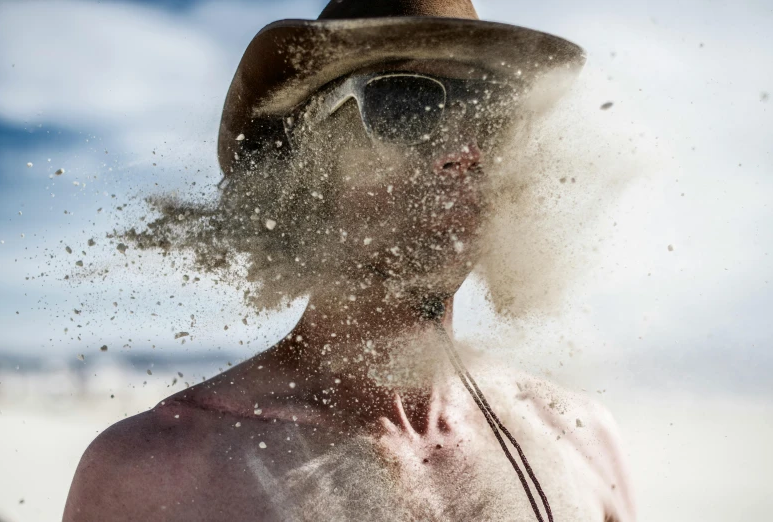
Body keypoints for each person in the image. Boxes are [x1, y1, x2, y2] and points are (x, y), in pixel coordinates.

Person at [63, 1, 635, 520]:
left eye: (492, 117)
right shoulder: (155, 474)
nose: (464, 153)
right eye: (408, 106)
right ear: (301, 166)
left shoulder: (578, 441)